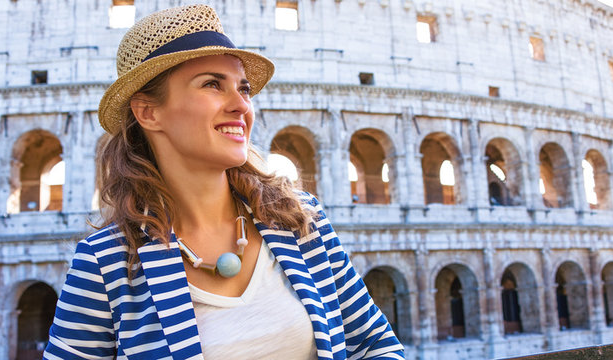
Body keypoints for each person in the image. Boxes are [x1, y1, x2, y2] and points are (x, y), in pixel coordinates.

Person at [43, 4, 404, 360]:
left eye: (244, 89)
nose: (242, 106)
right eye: (213, 85)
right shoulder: (105, 265)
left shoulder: (301, 221)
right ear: (149, 112)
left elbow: (376, 346)